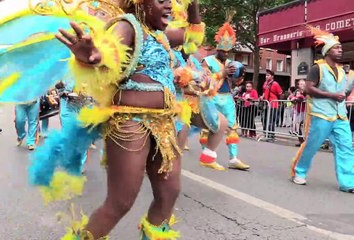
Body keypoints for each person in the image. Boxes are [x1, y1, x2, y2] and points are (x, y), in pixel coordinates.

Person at [54, 0, 204, 238]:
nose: (169, 7)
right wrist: (93, 56)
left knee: (169, 193)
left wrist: (194, 5)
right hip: (130, 122)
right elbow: (108, 52)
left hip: (164, 124)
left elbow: (193, 39)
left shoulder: (162, 36)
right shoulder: (127, 26)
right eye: (161, 1)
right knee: (120, 202)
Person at [290, 27, 354, 193]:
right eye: (336, 48)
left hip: (340, 116)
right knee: (313, 145)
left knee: (346, 147)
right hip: (321, 114)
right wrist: (331, 95)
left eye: (340, 47)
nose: (340, 50)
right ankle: (299, 172)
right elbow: (309, 89)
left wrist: (344, 93)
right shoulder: (317, 68)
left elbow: (343, 92)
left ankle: (348, 183)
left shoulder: (342, 71)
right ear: (327, 51)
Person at [200, 21, 250, 171]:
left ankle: (233, 158)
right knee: (208, 126)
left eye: (228, 51)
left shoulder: (231, 62)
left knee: (232, 127)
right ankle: (206, 154)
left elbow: (235, 82)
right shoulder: (207, 61)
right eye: (224, 51)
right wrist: (222, 73)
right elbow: (204, 81)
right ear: (218, 48)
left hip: (227, 97)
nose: (226, 54)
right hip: (212, 97)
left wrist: (239, 77)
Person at [260, 69, 283, 142]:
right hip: (267, 104)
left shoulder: (275, 84)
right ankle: (266, 134)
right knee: (264, 119)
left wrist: (279, 102)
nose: (266, 77)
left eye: (268, 75)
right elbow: (264, 91)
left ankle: (271, 135)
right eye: (266, 75)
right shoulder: (265, 83)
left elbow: (280, 94)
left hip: (273, 105)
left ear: (272, 76)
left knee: (271, 121)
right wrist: (262, 97)